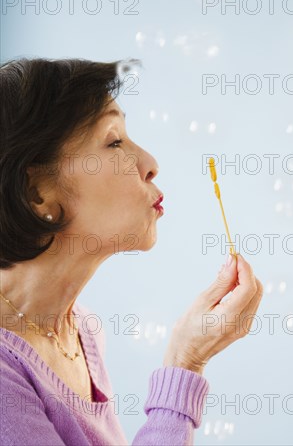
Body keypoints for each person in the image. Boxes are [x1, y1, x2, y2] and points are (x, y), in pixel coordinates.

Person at [0, 58, 263, 445]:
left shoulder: (80, 332)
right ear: (36, 192)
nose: (151, 164)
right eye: (114, 141)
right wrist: (185, 363)